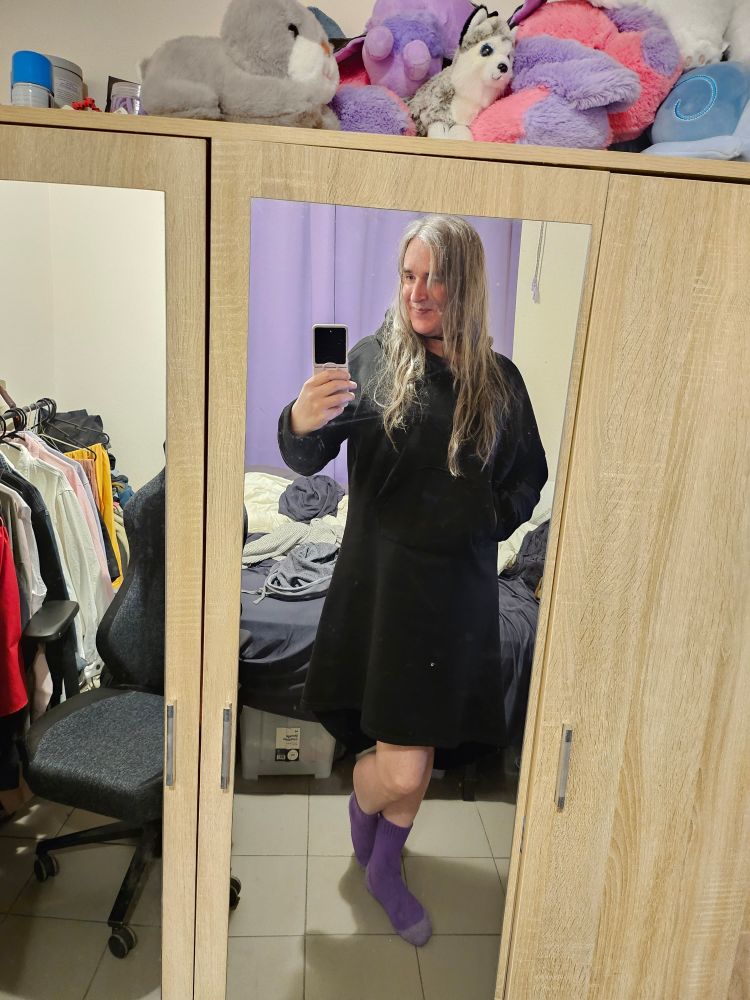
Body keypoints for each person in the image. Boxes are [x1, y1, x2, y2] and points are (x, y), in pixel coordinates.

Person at [278, 214, 547, 946]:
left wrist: (486, 518)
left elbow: (529, 476)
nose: (418, 292)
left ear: (466, 285)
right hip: (384, 591)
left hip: (458, 599)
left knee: (420, 759)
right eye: (408, 275)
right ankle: (370, 833)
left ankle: (381, 864)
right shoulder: (371, 362)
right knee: (401, 769)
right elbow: (307, 458)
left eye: (435, 278)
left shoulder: (500, 380)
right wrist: (300, 421)